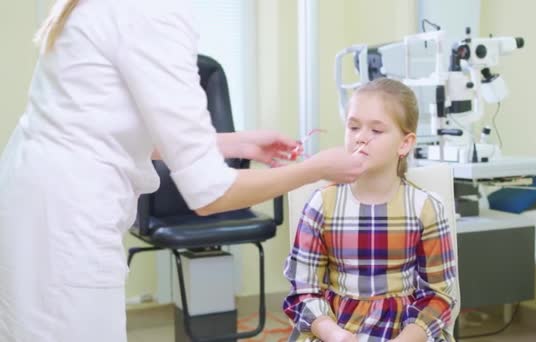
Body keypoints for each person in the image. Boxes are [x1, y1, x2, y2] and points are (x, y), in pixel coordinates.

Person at [0, 1, 367, 341]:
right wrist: (316, 169)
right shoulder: (152, 12)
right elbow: (210, 194)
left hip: (33, 200)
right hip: (66, 220)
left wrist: (239, 144)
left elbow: (116, 126)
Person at [283, 78, 457, 342]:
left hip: (406, 332)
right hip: (336, 330)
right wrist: (333, 334)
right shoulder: (322, 204)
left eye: (376, 131)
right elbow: (303, 291)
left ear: (405, 143)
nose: (361, 137)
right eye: (353, 127)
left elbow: (438, 295)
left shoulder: (426, 208)